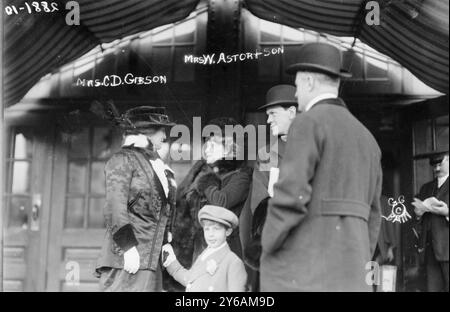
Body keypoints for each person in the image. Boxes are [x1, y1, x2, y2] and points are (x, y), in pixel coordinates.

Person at [260, 42, 382, 291]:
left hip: (309, 272)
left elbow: (290, 196)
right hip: (353, 272)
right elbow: (374, 214)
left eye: (296, 87)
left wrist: (268, 243)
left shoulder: (307, 123)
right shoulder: (368, 138)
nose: (295, 95)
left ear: (308, 82)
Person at [95, 106, 177, 292]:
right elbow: (114, 207)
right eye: (160, 130)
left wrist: (165, 243)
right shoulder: (123, 160)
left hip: (150, 260)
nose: (164, 136)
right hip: (126, 259)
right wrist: (128, 248)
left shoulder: (154, 165)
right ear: (145, 132)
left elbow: (160, 212)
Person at [167, 117, 251, 291]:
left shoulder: (240, 175)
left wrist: (206, 182)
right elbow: (180, 201)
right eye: (207, 143)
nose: (208, 148)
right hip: (195, 247)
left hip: (223, 247)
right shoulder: (201, 171)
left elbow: (221, 202)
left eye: (215, 143)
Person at [239, 84, 297, 291]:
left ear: (292, 112)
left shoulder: (318, 148)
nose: (268, 119)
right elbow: (259, 207)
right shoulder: (267, 155)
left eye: (273, 113)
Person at [162, 205, 247, 292]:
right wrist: (170, 261)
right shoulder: (204, 254)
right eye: (207, 229)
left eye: (216, 229)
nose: (211, 234)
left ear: (228, 231)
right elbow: (189, 280)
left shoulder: (233, 262)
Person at [412, 151, 449, 292]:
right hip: (430, 250)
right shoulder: (425, 188)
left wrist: (447, 212)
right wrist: (418, 214)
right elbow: (418, 219)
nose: (437, 169)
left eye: (440, 164)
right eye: (434, 166)